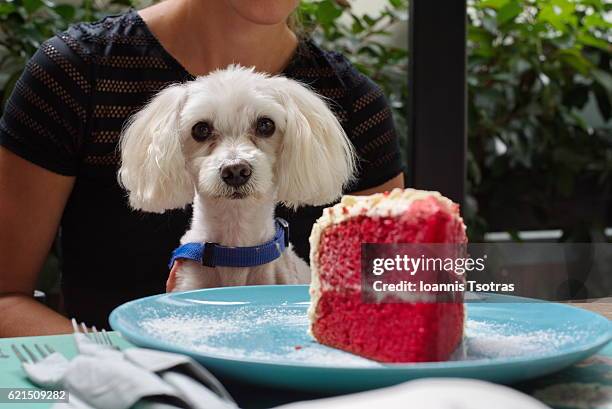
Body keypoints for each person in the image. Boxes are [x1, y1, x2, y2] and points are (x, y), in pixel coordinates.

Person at [0, 0, 404, 336]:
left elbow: (401, 301)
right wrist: (124, 369)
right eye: (201, 132)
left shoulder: (354, 103)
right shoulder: (76, 72)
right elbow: (5, 300)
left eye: (264, 128)